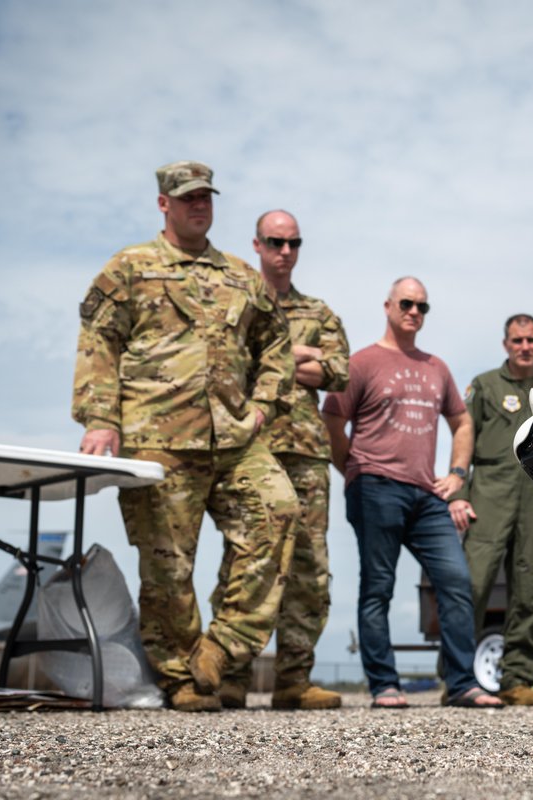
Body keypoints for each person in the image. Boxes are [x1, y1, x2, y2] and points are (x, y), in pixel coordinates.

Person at [73, 161, 299, 712]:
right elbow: (98, 341)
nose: (199, 204)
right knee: (168, 566)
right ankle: (179, 676)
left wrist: (264, 407)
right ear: (163, 203)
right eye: (187, 197)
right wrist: (101, 417)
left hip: (234, 437)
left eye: (206, 196)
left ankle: (222, 647)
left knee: (279, 511)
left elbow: (277, 344)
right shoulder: (130, 267)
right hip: (159, 437)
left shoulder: (242, 276)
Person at [321, 277, 503, 709]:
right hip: (375, 487)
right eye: (407, 303)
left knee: (457, 581)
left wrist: (457, 473)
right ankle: (384, 684)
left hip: (426, 495)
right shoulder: (362, 362)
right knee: (378, 585)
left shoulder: (436, 367)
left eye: (423, 306)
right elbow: (331, 419)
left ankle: (461, 684)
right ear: (387, 305)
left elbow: (462, 422)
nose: (414, 312)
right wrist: (352, 469)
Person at [210, 210, 350, 710]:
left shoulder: (319, 310)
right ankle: (232, 675)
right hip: (250, 446)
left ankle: (294, 678)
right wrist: (298, 353)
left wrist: (278, 356)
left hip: (307, 453)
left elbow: (337, 371)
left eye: (294, 243)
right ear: (257, 244)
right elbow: (223, 364)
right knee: (246, 558)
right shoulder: (235, 305)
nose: (285, 251)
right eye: (276, 242)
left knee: (310, 566)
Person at [449, 315, 533, 706]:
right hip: (488, 493)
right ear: (505, 344)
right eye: (517, 340)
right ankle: (457, 675)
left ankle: (518, 678)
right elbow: (464, 436)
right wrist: (458, 492)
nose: (524, 346)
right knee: (472, 585)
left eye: (531, 340)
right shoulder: (484, 385)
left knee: (531, 586)